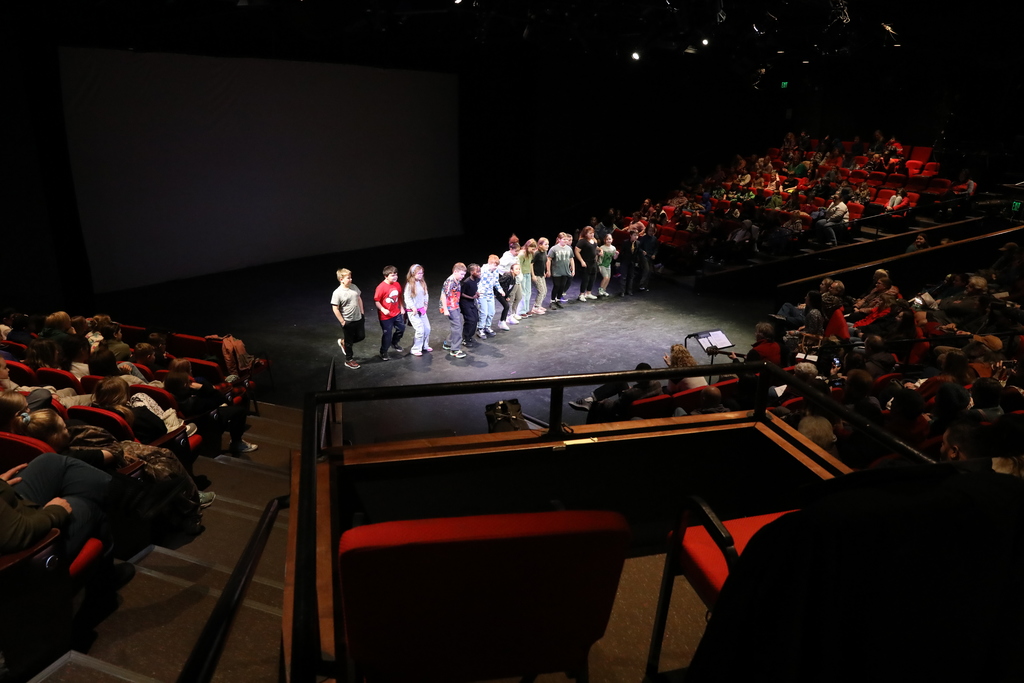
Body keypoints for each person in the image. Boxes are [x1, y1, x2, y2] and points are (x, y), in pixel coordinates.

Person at [332, 268, 365, 370]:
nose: (351, 279)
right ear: (341, 279)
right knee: (349, 343)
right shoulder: (337, 293)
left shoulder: (354, 287)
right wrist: (342, 321)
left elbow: (359, 298)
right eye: (348, 278)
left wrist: (362, 312)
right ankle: (349, 360)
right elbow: (335, 308)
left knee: (361, 336)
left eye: (350, 277)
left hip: (358, 318)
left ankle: (343, 342)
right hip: (348, 321)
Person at [373, 265, 406, 362]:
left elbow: (399, 297)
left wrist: (402, 307)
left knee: (401, 328)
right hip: (385, 316)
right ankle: (383, 351)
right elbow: (377, 301)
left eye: (396, 275)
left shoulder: (397, 284)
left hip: (396, 313)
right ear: (386, 276)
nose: (395, 277)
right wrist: (383, 309)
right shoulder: (381, 287)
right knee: (387, 335)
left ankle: (394, 342)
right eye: (392, 275)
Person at [440, 263, 468, 358]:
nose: (463, 277)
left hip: (455, 306)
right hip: (450, 307)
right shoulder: (450, 281)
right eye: (461, 274)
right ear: (455, 272)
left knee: (457, 325)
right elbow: (444, 295)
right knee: (457, 327)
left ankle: (448, 343)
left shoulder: (456, 280)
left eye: (464, 274)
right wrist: (445, 309)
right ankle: (455, 350)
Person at [403, 264, 432, 356]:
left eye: (422, 273)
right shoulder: (409, 285)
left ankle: (424, 345)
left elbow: (425, 294)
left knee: (427, 328)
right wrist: (413, 307)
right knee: (420, 330)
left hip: (422, 309)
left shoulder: (422, 283)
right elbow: (407, 298)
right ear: (413, 273)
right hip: (413, 311)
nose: (421, 275)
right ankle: (416, 348)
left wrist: (425, 304)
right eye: (418, 273)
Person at [477, 255, 503, 338]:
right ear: (490, 263)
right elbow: (477, 281)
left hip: (490, 294)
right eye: (495, 265)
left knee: (491, 312)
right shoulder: (482, 270)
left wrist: (500, 290)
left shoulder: (495, 271)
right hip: (482, 294)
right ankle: (480, 329)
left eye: (497, 265)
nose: (496, 267)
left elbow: (496, 282)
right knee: (484, 312)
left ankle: (487, 327)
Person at [547, 232, 575, 309]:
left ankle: (558, 300)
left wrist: (573, 269)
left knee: (562, 286)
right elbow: (549, 259)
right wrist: (548, 270)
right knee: (556, 286)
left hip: (565, 271)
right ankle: (552, 301)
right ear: (559, 239)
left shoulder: (569, 248)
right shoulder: (554, 248)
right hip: (556, 271)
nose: (565, 241)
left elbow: (571, 259)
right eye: (564, 239)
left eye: (566, 239)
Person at [575, 226, 599, 302]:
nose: (592, 234)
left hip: (593, 262)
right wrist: (582, 261)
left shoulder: (593, 241)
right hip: (586, 262)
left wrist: (600, 251)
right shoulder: (582, 241)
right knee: (586, 279)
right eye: (590, 233)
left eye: (593, 233)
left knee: (592, 278)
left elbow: (595, 249)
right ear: (585, 234)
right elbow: (576, 251)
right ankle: (581, 294)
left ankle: (588, 293)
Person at [460, 264, 482, 348]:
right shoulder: (466, 282)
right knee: (470, 320)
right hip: (465, 303)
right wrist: (471, 297)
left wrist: (476, 293)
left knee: (476, 318)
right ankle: (465, 338)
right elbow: (462, 294)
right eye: (477, 271)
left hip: (472, 302)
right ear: (472, 272)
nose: (479, 273)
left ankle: (470, 336)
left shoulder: (476, 280)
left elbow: (474, 288)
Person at [596, 233, 618, 298]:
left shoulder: (613, 248)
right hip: (602, 264)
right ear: (604, 240)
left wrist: (617, 254)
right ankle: (600, 289)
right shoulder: (602, 247)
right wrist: (600, 255)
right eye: (607, 239)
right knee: (605, 277)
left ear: (612, 240)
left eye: (610, 239)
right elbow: (598, 254)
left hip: (608, 265)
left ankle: (604, 290)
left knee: (608, 278)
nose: (608, 240)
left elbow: (614, 258)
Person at [619, 229, 640, 296]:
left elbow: (637, 253)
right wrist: (618, 261)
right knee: (624, 276)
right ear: (630, 235)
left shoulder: (638, 243)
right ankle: (622, 291)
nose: (636, 237)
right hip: (625, 261)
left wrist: (637, 262)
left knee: (631, 276)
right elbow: (622, 252)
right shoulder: (625, 242)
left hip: (632, 262)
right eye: (634, 235)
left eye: (637, 235)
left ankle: (629, 290)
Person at [531, 237, 550, 314]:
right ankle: (535, 308)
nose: (547, 246)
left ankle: (538, 305)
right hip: (536, 275)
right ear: (540, 245)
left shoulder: (544, 252)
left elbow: (545, 262)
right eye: (545, 244)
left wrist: (546, 271)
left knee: (544, 291)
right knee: (541, 291)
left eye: (548, 244)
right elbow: (531, 264)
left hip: (541, 274)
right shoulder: (537, 253)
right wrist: (533, 275)